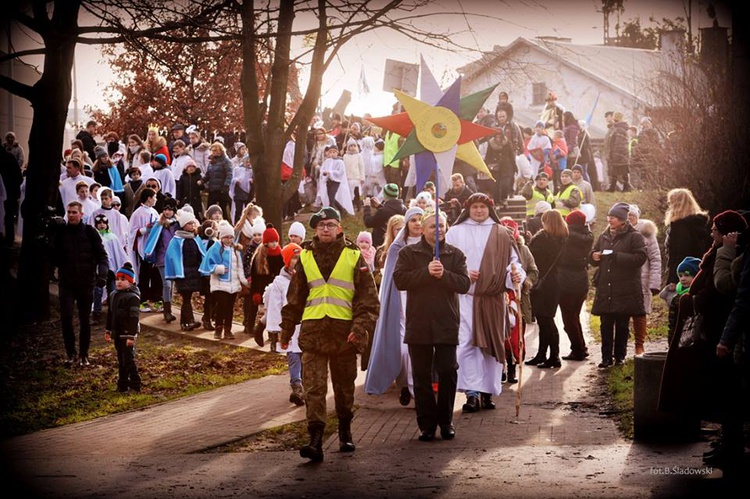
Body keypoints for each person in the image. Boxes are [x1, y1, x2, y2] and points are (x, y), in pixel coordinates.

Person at [279, 207, 379, 462]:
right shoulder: (305, 258)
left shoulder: (354, 256)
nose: (325, 229)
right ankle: (315, 439)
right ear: (315, 229)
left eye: (330, 225)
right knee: (314, 388)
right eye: (321, 225)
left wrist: (360, 328)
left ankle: (345, 430)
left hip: (345, 335)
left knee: (345, 388)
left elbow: (368, 300)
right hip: (313, 335)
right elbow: (295, 299)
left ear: (339, 229)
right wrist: (286, 329)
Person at [393, 210, 471, 441]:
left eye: (441, 226)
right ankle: (426, 424)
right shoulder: (409, 253)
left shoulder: (455, 254)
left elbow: (464, 284)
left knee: (448, 369)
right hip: (419, 321)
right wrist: (426, 273)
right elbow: (400, 281)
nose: (437, 230)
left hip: (446, 320)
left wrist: (444, 274)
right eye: (432, 226)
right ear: (422, 229)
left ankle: (446, 420)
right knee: (421, 374)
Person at [445, 193, 525, 411]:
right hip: (465, 299)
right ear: (467, 210)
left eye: (482, 207)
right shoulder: (454, 232)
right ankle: (471, 394)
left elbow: (514, 264)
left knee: (490, 346)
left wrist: (515, 275)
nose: (479, 211)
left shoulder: (501, 234)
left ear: (490, 209)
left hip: (492, 300)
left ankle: (487, 392)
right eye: (475, 207)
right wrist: (462, 275)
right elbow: (445, 262)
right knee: (468, 345)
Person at [365, 206, 424, 405]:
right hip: (401, 300)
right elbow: (391, 277)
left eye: (420, 219)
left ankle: (414, 387)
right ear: (407, 224)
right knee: (403, 349)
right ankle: (405, 384)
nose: (417, 223)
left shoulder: (432, 245)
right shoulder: (398, 248)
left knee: (420, 348)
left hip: (422, 301)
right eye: (413, 220)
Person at [590, 202, 647, 367]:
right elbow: (594, 253)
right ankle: (605, 357)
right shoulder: (604, 235)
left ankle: (619, 356)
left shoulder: (634, 236)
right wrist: (593, 256)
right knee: (605, 324)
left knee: (622, 324)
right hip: (606, 287)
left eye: (613, 217)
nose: (610, 219)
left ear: (623, 220)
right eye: (609, 216)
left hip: (625, 288)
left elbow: (640, 258)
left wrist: (617, 256)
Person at [52, 201, 108, 366]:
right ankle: (70, 353)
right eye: (69, 212)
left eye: (74, 212)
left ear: (81, 214)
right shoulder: (61, 232)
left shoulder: (90, 232)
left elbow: (102, 256)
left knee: (85, 319)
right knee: (66, 317)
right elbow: (53, 255)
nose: (71, 215)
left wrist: (102, 275)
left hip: (85, 282)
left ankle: (84, 355)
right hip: (67, 283)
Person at [525, 209, 568, 368]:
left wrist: (529, 241)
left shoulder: (542, 239)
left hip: (541, 283)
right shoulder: (563, 238)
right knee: (546, 319)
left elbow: (532, 258)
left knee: (546, 320)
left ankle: (554, 356)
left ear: (547, 222)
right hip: (554, 282)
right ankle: (543, 354)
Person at [263, 242, 305, 406]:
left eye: (300, 257)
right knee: (294, 356)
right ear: (287, 261)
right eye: (294, 258)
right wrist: (275, 329)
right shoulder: (279, 283)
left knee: (306, 357)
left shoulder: (307, 278)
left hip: (306, 324)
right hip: (289, 327)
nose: (297, 260)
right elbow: (274, 306)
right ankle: (297, 386)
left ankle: (308, 387)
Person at [498, 217, 538, 383]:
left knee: (515, 336)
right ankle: (500, 368)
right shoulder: (494, 249)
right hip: (498, 296)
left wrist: (524, 282)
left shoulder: (523, 250)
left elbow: (533, 271)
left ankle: (513, 365)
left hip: (517, 298)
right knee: (500, 336)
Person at [199, 221, 249, 340]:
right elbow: (207, 264)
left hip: (233, 285)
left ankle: (228, 329)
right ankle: (218, 329)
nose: (229, 239)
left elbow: (239, 267)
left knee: (229, 308)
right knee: (222, 306)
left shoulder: (236, 250)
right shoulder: (215, 248)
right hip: (220, 284)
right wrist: (218, 268)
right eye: (226, 237)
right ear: (222, 237)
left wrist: (244, 281)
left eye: (231, 237)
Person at [557, 210, 593, 361]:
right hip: (581, 280)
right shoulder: (588, 236)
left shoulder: (565, 236)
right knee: (575, 316)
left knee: (568, 319)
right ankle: (581, 347)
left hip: (566, 281)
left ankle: (577, 349)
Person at [627, 205, 662, 356]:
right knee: (622, 312)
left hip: (642, 279)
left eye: (632, 216)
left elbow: (655, 259)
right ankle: (621, 346)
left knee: (639, 313)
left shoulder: (647, 234)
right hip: (624, 279)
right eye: (627, 215)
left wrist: (654, 283)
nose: (629, 219)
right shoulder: (619, 232)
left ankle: (639, 345)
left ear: (637, 217)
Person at [104, 262, 142, 392]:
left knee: (128, 360)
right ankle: (122, 384)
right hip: (117, 331)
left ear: (130, 282)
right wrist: (108, 330)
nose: (119, 282)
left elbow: (134, 318)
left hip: (128, 332)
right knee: (121, 359)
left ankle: (136, 383)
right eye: (117, 279)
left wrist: (131, 335)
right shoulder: (113, 295)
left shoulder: (133, 297)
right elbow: (110, 313)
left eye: (123, 279)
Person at [165, 209, 205, 331]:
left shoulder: (195, 238)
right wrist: (177, 272)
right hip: (183, 273)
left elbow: (201, 254)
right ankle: (188, 321)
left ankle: (186, 322)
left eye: (193, 223)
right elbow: (172, 256)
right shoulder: (176, 240)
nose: (192, 226)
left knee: (188, 297)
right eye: (189, 223)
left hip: (193, 273)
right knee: (186, 297)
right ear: (183, 225)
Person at [663, 188, 711, 288]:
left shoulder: (680, 226)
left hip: (683, 274)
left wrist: (674, 278)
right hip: (697, 270)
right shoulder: (698, 223)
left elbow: (680, 253)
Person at [143, 197, 179, 323]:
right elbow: (153, 239)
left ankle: (168, 306)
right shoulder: (159, 225)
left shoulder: (177, 225)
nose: (167, 212)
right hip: (162, 258)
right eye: (165, 209)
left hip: (174, 258)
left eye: (170, 209)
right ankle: (167, 311)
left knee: (172, 284)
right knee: (166, 283)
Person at [248, 224, 285, 348]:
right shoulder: (260, 256)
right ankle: (270, 337)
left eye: (275, 241)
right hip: (265, 289)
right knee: (271, 312)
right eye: (271, 241)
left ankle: (269, 334)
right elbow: (256, 277)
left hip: (279, 287)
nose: (274, 244)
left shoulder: (281, 254)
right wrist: (256, 293)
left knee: (276, 312)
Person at [91, 213, 128, 326]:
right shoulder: (94, 237)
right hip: (99, 270)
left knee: (112, 292)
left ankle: (113, 315)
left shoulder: (112, 237)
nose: (102, 225)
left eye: (104, 223)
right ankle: (96, 313)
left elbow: (118, 253)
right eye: (99, 223)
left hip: (111, 270)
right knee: (98, 291)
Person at [659, 256, 699, 345]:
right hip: (677, 337)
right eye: (680, 275)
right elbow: (672, 323)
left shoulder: (698, 297)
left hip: (694, 337)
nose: (683, 278)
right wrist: (671, 340)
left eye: (687, 275)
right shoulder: (676, 298)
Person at [363, 183, 407, 247]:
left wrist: (367, 207)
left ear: (384, 195)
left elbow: (368, 222)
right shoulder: (404, 209)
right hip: (398, 242)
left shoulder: (383, 212)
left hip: (381, 243)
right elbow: (391, 211)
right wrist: (380, 206)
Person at [204, 142, 233, 220]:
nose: (213, 152)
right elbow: (208, 174)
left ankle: (225, 224)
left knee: (222, 209)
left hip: (222, 189)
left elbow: (229, 174)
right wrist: (202, 180)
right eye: (212, 150)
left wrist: (226, 186)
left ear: (220, 151)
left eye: (215, 150)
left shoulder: (226, 161)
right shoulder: (211, 162)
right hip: (213, 188)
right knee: (210, 208)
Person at [606, 112, 631, 192]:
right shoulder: (620, 128)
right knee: (618, 170)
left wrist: (615, 155)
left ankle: (625, 187)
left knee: (621, 170)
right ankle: (615, 187)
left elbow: (618, 144)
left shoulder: (619, 129)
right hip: (621, 153)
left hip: (619, 153)